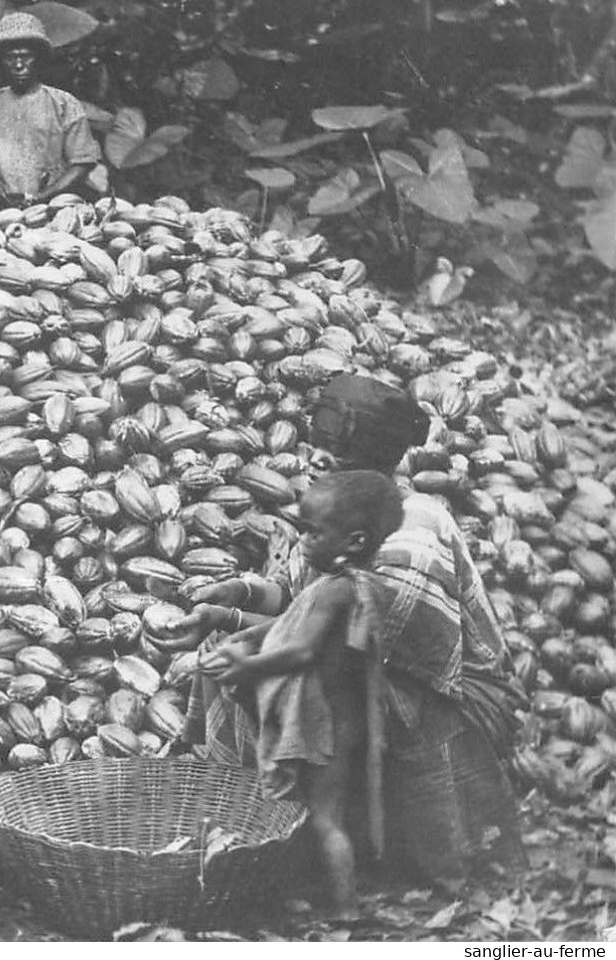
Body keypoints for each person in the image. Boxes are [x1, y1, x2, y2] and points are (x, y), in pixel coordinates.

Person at [170, 372, 525, 881]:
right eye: (316, 450)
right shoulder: (344, 507)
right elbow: (300, 600)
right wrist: (235, 601)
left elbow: (370, 642)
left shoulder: (414, 527)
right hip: (364, 675)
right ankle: (260, 823)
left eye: (331, 456)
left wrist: (252, 646)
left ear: (372, 466)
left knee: (288, 677)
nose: (314, 462)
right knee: (231, 652)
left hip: (448, 700)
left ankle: (342, 847)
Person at [207, 471, 403, 920]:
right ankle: (321, 895)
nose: (304, 541)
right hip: (339, 719)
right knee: (314, 815)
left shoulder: (336, 589)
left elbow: (302, 650)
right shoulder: (344, 582)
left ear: (353, 542)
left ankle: (346, 908)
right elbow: (283, 628)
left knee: (324, 819)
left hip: (326, 726)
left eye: (314, 533)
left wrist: (247, 667)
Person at [0, 11, 102, 230]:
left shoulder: (63, 104)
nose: (19, 64)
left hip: (54, 212)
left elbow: (82, 161)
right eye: (11, 58)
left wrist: (46, 195)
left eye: (26, 56)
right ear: (1, 62)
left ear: (38, 59)